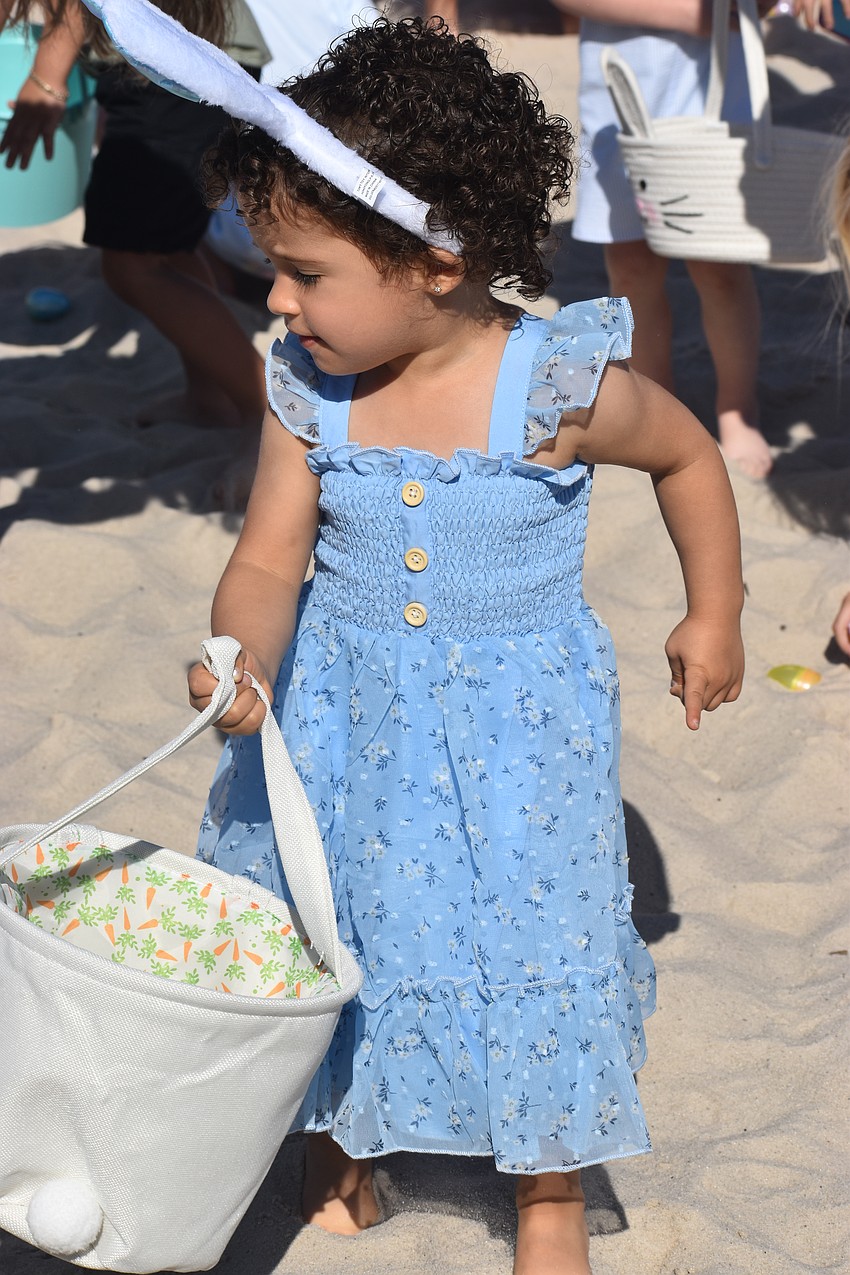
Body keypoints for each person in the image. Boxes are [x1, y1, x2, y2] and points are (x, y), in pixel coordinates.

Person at [183, 17, 745, 1274]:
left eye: (304, 271)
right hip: (344, 720)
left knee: (525, 936)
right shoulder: (305, 386)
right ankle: (344, 1139)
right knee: (346, 917)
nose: (277, 298)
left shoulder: (554, 382)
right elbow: (271, 556)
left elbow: (687, 456)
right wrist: (241, 651)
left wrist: (713, 609)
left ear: (434, 261)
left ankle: (546, 1182)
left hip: (515, 740)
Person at [0, 0, 268, 430]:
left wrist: (46, 79)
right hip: (179, 58)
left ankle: (264, 417)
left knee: (131, 266)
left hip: (181, 66)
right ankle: (209, 397)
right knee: (169, 251)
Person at [550, 0, 780, 480]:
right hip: (621, 89)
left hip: (717, 81)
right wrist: (690, 16)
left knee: (719, 264)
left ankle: (738, 408)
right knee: (632, 265)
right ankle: (659, 404)